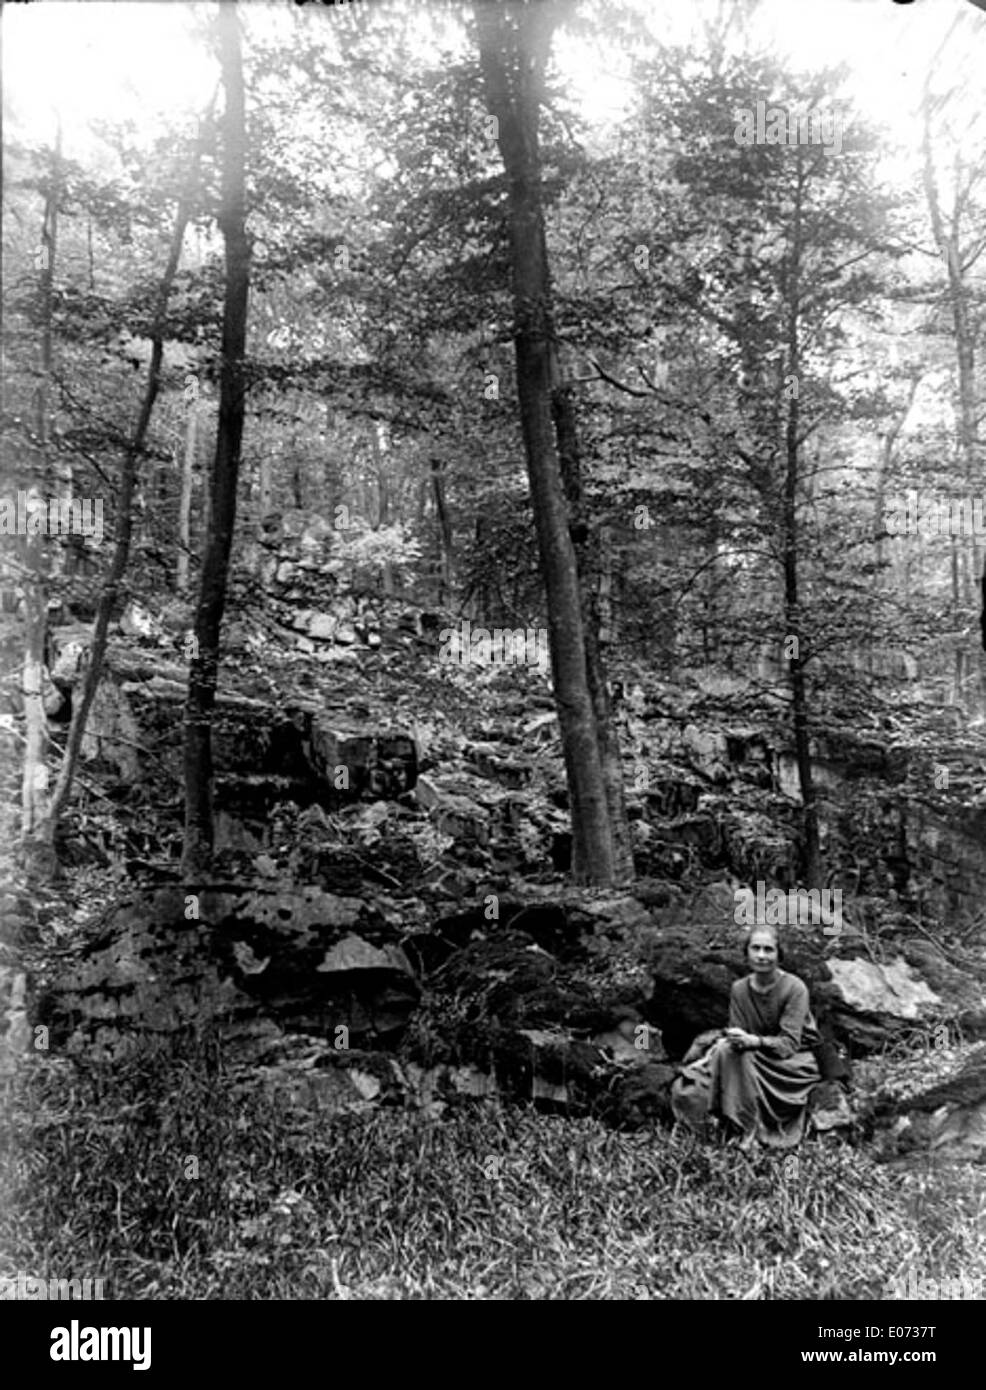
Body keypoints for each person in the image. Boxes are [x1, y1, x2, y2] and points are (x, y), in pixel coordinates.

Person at [671, 925, 822, 1150]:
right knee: (707, 1068)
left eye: (768, 950)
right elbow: (737, 1033)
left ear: (779, 954)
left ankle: (750, 1131)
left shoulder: (794, 988)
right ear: (747, 952)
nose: (761, 956)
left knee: (736, 1058)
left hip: (791, 1062)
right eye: (756, 948)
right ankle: (727, 1127)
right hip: (751, 1055)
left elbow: (789, 1044)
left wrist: (756, 1042)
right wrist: (726, 1045)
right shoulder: (739, 989)